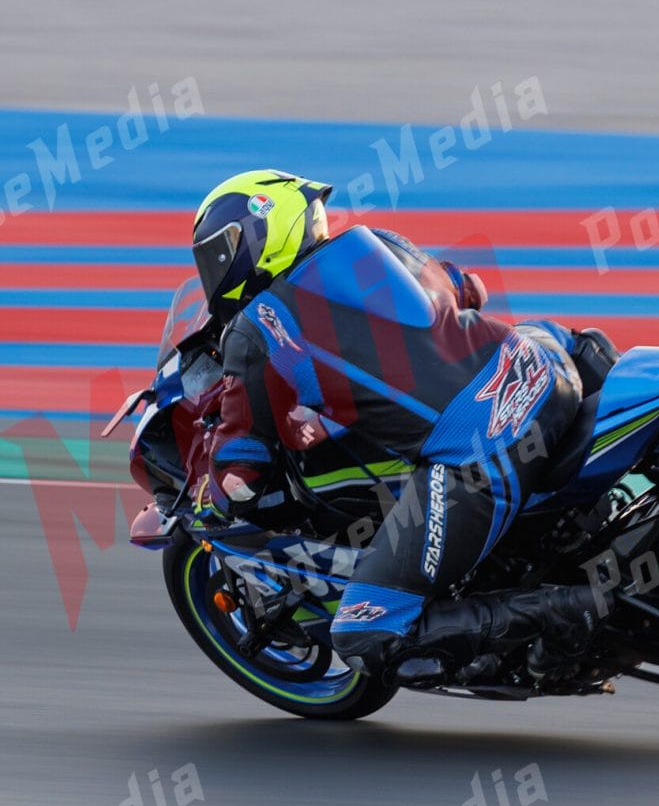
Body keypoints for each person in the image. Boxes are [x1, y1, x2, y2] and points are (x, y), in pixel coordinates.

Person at [184, 169, 612, 677]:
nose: (214, 270)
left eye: (217, 254)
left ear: (255, 238)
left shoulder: (256, 327)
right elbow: (468, 289)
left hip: (479, 447)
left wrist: (208, 497)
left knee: (367, 635)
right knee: (547, 333)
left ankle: (570, 612)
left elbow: (243, 468)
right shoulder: (378, 243)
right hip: (539, 367)